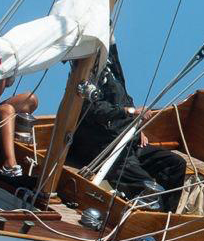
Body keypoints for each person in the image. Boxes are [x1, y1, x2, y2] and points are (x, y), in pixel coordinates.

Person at [65, 44, 186, 211]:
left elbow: (124, 96)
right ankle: (148, 215)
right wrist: (129, 112)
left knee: (175, 165)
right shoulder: (82, 78)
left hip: (129, 140)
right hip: (107, 148)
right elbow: (96, 111)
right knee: (148, 190)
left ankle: (166, 217)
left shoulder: (110, 69)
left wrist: (135, 125)